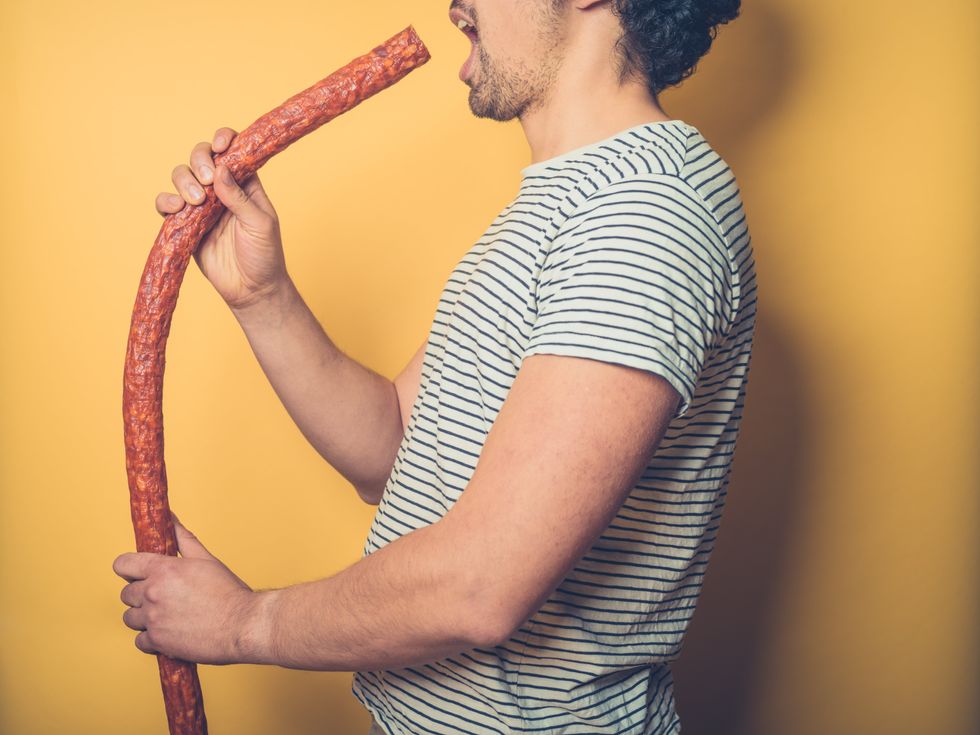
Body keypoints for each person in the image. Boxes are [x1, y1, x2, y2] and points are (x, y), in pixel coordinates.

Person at [113, 0, 755, 732]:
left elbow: (480, 585)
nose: (455, 5)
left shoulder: (644, 214)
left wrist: (241, 623)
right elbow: (392, 450)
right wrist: (263, 296)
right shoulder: (566, 206)